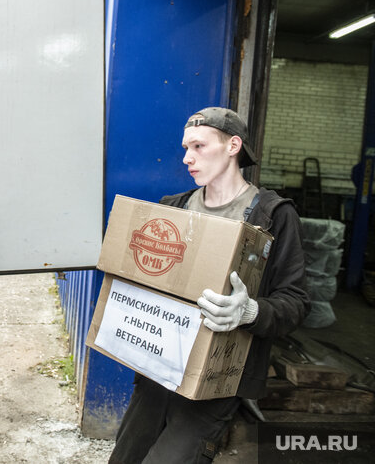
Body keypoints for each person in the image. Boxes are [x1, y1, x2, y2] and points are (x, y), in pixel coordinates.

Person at [108, 107, 309, 463]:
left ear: (233, 145)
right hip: (159, 370)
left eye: (199, 146)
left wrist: (251, 311)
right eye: (186, 148)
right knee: (125, 458)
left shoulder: (273, 216)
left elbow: (295, 301)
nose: (187, 157)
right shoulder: (175, 208)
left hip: (217, 383)